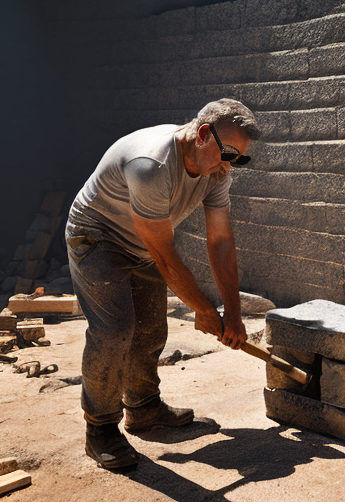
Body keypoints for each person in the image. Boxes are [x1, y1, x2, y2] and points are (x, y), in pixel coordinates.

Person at [65, 99, 261, 469]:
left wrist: (231, 314)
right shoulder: (151, 165)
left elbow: (220, 243)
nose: (229, 166)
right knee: (114, 329)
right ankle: (100, 430)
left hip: (142, 243)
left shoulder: (215, 172)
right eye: (229, 153)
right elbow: (165, 255)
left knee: (152, 327)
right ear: (203, 134)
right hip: (97, 236)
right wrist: (203, 310)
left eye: (239, 159)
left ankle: (143, 408)